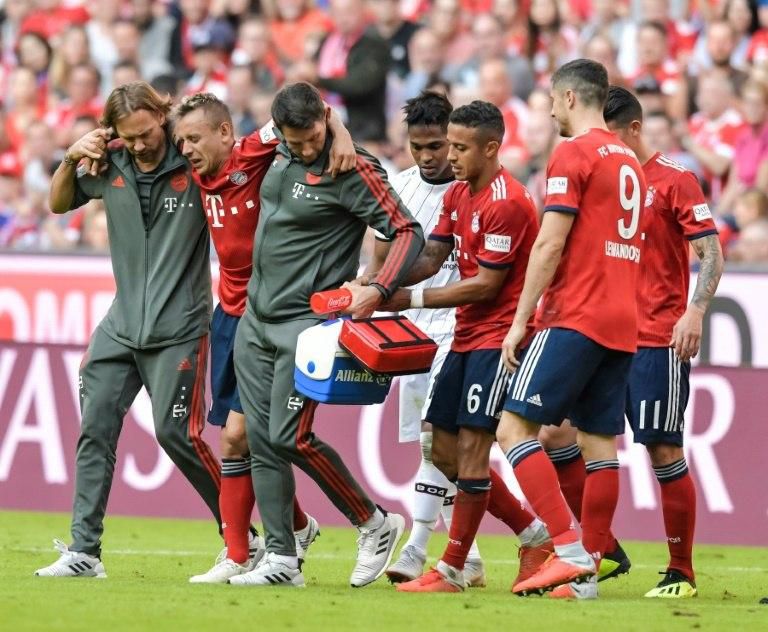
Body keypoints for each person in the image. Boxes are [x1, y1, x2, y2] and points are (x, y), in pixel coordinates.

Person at [229, 82, 423, 588]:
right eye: (296, 142)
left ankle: (374, 522)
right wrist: (325, 128)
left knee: (285, 436)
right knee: (260, 441)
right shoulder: (278, 146)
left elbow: (406, 230)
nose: (305, 149)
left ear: (325, 120)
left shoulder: (351, 166)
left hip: (304, 323)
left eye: (314, 137)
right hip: (255, 318)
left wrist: (378, 288)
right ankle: (281, 561)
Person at [35, 81, 221, 578]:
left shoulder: (193, 160)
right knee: (94, 428)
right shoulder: (108, 162)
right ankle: (83, 551)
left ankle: (241, 535)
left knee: (176, 434)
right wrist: (71, 157)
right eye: (128, 136)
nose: (140, 144)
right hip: (120, 327)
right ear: (112, 132)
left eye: (146, 132)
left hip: (180, 326)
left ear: (162, 117)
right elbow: (57, 203)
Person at [172, 93, 357, 583]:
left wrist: (341, 134)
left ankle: (243, 550)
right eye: (181, 140)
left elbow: (310, 106)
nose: (185, 148)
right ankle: (290, 529)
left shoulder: (253, 151)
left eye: (194, 138)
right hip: (229, 316)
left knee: (242, 436)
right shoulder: (191, 165)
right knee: (241, 438)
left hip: (270, 312)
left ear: (226, 133)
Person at [373, 100, 551, 594]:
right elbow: (432, 256)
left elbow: (484, 286)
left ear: (491, 148)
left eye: (459, 147)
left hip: (498, 340)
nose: (450, 155)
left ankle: (452, 567)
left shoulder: (508, 201)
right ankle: (534, 535)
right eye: (448, 144)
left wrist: (405, 296)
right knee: (442, 450)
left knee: (472, 452)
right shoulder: (457, 194)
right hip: (465, 337)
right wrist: (380, 285)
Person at [495, 59, 646, 599]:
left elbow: (551, 242)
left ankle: (569, 549)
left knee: (512, 429)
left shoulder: (573, 153)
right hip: (622, 317)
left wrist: (519, 322)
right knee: (599, 443)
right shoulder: (628, 157)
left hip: (576, 313)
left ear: (570, 98)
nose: (552, 109)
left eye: (554, 101)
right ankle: (588, 579)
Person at [601, 86, 724, 598]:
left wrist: (695, 310)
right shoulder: (599, 181)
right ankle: (599, 549)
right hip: (601, 335)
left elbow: (711, 253)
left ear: (633, 129)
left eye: (608, 138)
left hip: (656, 338)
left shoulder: (674, 179)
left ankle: (682, 572)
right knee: (557, 434)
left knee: (662, 448)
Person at [362, 91, 485, 586]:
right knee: (436, 450)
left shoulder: (474, 188)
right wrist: (369, 293)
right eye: (419, 147)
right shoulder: (398, 186)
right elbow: (380, 253)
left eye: (437, 146)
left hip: (461, 330)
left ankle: (415, 547)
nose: (429, 157)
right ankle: (471, 556)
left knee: (439, 443)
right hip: (412, 334)